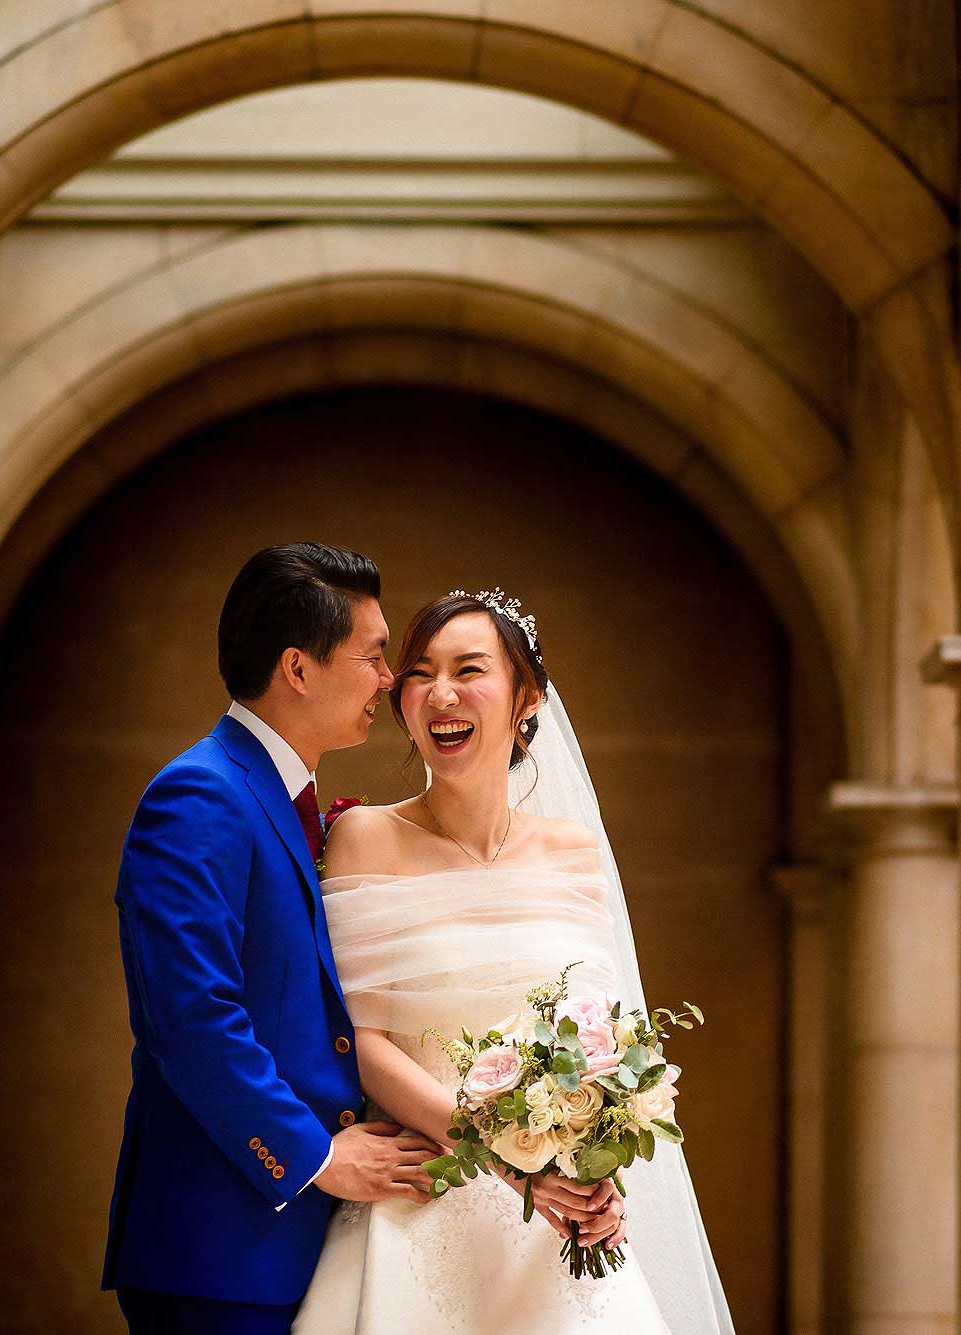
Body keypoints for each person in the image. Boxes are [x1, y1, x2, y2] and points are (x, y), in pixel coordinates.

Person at [292, 589, 735, 1334]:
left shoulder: (573, 851)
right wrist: (503, 1155)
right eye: (420, 673)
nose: (441, 694)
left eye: (469, 669)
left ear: (527, 696)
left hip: (554, 1224)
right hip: (420, 1200)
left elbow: (600, 1045)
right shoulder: (365, 837)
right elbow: (362, 1041)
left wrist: (599, 1170)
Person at [103, 543, 446, 1335]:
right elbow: (190, 1019)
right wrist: (318, 1155)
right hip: (222, 1242)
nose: (389, 679)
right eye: (372, 655)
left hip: (297, 1243)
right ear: (298, 668)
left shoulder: (290, 797)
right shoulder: (200, 794)